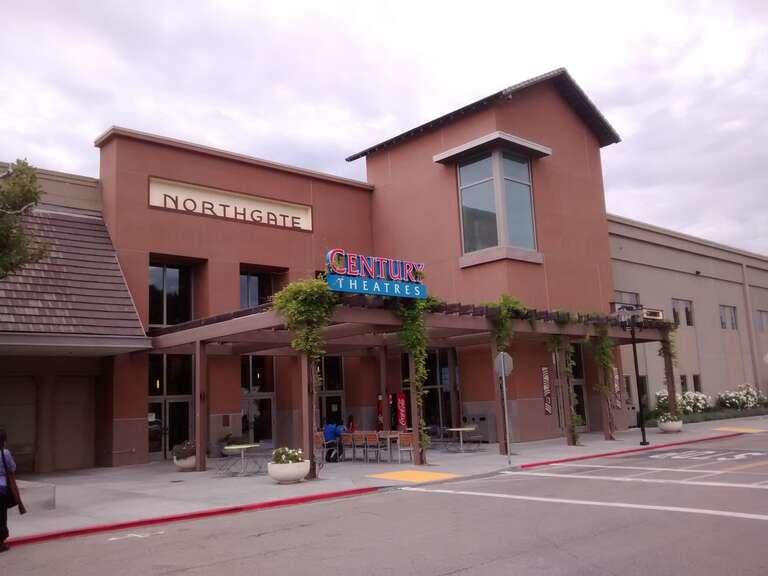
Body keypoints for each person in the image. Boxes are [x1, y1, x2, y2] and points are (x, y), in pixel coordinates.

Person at [0, 429, 26, 552]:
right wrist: (19, 502)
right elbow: (11, 476)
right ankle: (0, 544)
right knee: (1, 517)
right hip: (2, 490)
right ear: (4, 440)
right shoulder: (5, 454)